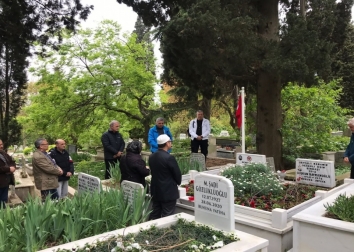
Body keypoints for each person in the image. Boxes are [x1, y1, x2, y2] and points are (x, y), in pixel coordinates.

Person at [149, 134, 181, 220]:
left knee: (155, 213)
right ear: (167, 143)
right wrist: (178, 182)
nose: (171, 143)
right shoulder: (169, 157)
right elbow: (177, 174)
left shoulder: (152, 156)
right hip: (168, 191)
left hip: (155, 189)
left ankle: (150, 230)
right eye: (170, 141)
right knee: (167, 215)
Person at [0, 139, 15, 208]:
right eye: (0, 145)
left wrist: (13, 167)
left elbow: (12, 161)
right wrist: (8, 169)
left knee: (4, 201)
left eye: (2, 144)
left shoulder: (3, 153)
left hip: (5, 182)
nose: (1, 146)